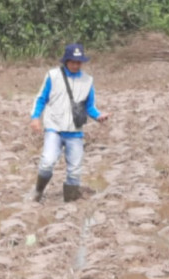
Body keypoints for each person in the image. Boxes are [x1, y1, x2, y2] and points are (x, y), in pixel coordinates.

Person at [29, 43, 110, 203]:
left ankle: (70, 204)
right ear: (66, 61)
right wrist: (35, 117)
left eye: (78, 62)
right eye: (72, 61)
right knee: (47, 162)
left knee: (74, 171)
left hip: (75, 132)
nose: (75, 65)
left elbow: (89, 106)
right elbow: (41, 99)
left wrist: (99, 116)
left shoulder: (88, 81)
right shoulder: (53, 76)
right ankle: (38, 191)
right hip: (54, 129)